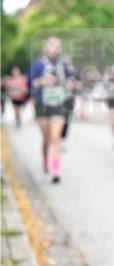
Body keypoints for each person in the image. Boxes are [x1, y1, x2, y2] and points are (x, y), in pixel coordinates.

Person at [28, 37, 74, 184]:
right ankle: (45, 160)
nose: (54, 47)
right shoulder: (38, 63)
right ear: (46, 46)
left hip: (58, 104)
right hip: (42, 104)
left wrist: (70, 84)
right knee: (46, 139)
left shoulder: (63, 64)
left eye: (56, 45)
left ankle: (55, 171)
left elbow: (70, 81)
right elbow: (31, 83)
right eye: (51, 44)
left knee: (55, 138)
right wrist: (43, 81)